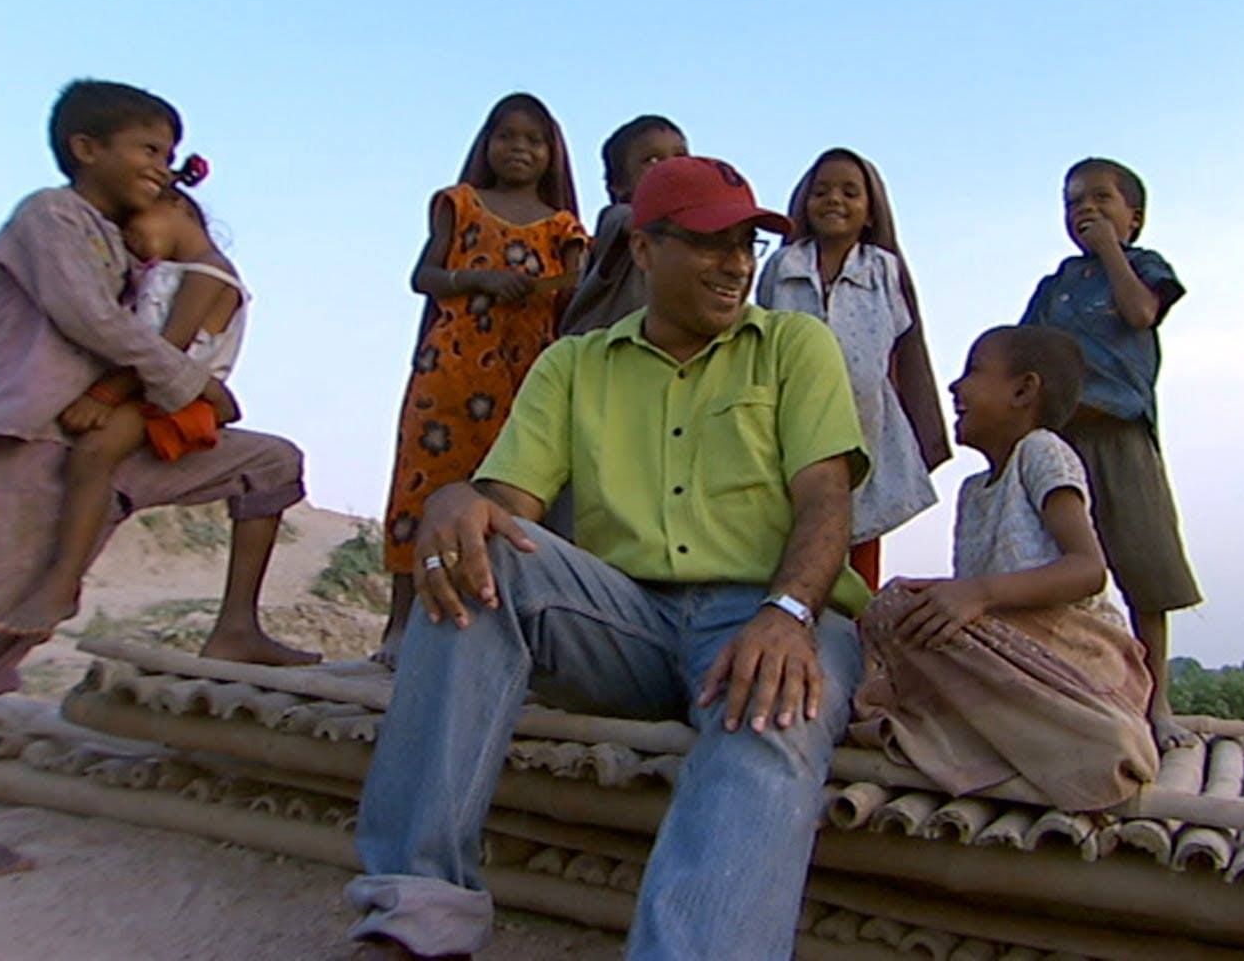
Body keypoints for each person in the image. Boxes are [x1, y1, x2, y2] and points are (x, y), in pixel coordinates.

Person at [348, 156, 871, 960]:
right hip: (626, 622)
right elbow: (508, 504)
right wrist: (458, 499)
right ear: (644, 250)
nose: (736, 264)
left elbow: (826, 498)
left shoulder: (794, 345)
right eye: (710, 242)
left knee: (770, 710)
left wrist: (790, 612)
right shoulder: (574, 363)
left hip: (768, 612)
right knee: (475, 554)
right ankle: (417, 916)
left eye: (746, 244)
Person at [0, 79, 310, 880]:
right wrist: (191, 385)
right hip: (29, 441)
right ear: (86, 149)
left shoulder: (138, 246)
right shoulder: (50, 218)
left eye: (169, 153)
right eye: (147, 149)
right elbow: (89, 319)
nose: (161, 165)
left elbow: (197, 294)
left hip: (113, 446)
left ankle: (235, 627)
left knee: (270, 462)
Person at [849, 326, 1159, 810]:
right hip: (1008, 658)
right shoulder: (973, 492)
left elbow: (1087, 569)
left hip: (1074, 656)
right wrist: (947, 595)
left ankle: (1096, 738)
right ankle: (1008, 739)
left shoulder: (1041, 451)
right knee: (889, 611)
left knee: (897, 608)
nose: (956, 386)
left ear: (1023, 390)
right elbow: (968, 607)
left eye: (973, 371)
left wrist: (980, 593)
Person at [0, 177, 265, 638]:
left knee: (93, 452)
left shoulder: (210, 273)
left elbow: (167, 349)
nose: (129, 241)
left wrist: (105, 395)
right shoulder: (172, 271)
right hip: (154, 388)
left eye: (133, 226)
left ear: (176, 207)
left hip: (169, 396)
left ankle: (62, 582)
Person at [375, 93, 588, 662]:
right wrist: (484, 280)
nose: (520, 148)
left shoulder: (566, 228)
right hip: (450, 370)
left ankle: (498, 637)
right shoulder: (460, 203)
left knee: (511, 496)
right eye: (507, 136)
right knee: (422, 487)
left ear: (553, 154)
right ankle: (399, 624)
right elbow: (424, 276)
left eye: (534, 140)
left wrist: (542, 286)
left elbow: (577, 290)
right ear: (486, 143)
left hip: (529, 378)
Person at [1020, 158, 1204, 749]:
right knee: (1053, 566)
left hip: (1121, 433)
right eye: (1074, 201)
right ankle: (1065, 697)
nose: (1086, 209)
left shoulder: (1144, 268)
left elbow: (1140, 313)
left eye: (1101, 199)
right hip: (1061, 439)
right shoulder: (1055, 286)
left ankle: (1156, 702)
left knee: (1144, 563)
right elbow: (1025, 350)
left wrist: (1112, 253)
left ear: (1135, 218)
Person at [757, 148, 949, 588]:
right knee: (792, 535)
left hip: (866, 428)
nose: (834, 200)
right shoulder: (784, 265)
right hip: (791, 422)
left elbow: (897, 339)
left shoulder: (883, 269)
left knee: (860, 544)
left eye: (849, 192)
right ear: (804, 202)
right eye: (821, 191)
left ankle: (855, 626)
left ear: (870, 211)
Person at [559, 114, 687, 335]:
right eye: (651, 160)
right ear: (619, 186)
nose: (671, 168)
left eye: (680, 156)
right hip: (595, 350)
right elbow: (642, 224)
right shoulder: (617, 218)